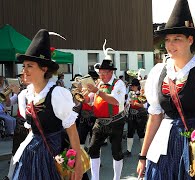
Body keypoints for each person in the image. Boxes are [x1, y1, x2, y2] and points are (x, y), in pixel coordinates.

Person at [136, 0, 195, 179]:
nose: (170, 45)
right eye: (167, 40)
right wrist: (143, 156)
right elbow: (155, 117)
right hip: (164, 148)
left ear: (190, 40)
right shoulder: (159, 72)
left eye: (177, 39)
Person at [12, 29, 83, 180]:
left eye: (30, 66)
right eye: (24, 66)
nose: (24, 70)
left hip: (52, 157)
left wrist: (78, 163)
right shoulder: (26, 95)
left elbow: (72, 131)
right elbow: (33, 129)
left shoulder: (57, 94)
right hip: (30, 156)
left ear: (44, 69)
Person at [85, 46, 127, 180]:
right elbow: (90, 100)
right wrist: (83, 95)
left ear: (110, 72)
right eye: (100, 73)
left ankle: (116, 178)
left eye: (103, 73)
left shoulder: (119, 84)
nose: (101, 76)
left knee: (116, 152)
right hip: (99, 122)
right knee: (92, 149)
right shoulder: (99, 83)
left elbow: (114, 101)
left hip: (115, 121)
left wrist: (97, 91)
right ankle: (95, 178)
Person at [123, 78, 148, 157]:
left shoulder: (141, 94)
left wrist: (135, 103)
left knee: (141, 133)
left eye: (133, 86)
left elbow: (144, 106)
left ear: (137, 86)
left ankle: (143, 151)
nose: (131, 87)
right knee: (130, 133)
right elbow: (127, 102)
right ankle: (128, 150)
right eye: (131, 86)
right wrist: (126, 106)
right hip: (131, 114)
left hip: (140, 116)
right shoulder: (131, 93)